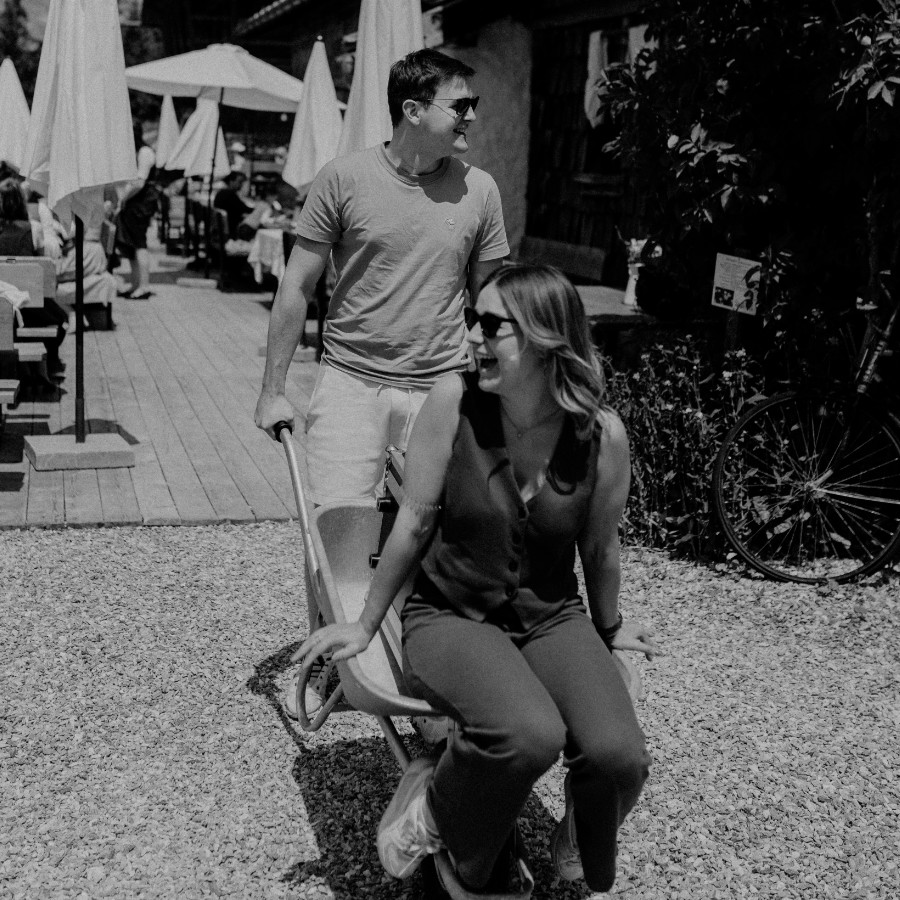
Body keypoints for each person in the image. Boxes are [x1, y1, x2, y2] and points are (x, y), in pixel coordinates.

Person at [294, 265, 661, 895]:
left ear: (545, 338)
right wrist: (365, 624)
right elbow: (413, 521)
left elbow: (600, 549)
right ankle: (437, 811)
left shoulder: (602, 437)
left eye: (490, 325)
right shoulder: (453, 401)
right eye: (471, 319)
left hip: (550, 616)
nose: (470, 336)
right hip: (451, 615)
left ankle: (577, 833)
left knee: (619, 755)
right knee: (526, 735)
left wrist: (611, 628)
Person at [254, 47, 509, 721]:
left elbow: (491, 300)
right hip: (351, 382)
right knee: (333, 533)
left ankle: (424, 663)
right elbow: (296, 286)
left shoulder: (480, 190)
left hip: (440, 390)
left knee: (436, 532)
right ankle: (331, 660)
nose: (471, 117)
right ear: (413, 110)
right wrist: (273, 388)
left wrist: (504, 384)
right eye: (461, 105)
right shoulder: (343, 179)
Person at [0, 177, 67, 380]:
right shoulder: (34, 228)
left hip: (3, 303)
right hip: (29, 306)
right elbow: (42, 268)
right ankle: (49, 364)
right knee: (59, 319)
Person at [115, 123, 158, 300]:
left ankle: (144, 285)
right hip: (135, 203)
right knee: (131, 245)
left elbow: (140, 182)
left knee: (139, 243)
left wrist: (123, 198)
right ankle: (136, 284)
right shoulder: (137, 152)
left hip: (141, 203)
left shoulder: (145, 152)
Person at [213, 170, 255, 240]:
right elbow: (245, 209)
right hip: (231, 232)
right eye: (239, 182)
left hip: (222, 230)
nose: (241, 185)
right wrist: (259, 208)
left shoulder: (222, 192)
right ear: (231, 181)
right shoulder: (230, 194)